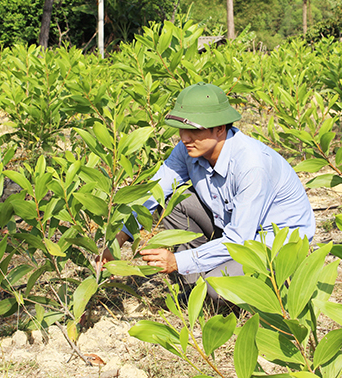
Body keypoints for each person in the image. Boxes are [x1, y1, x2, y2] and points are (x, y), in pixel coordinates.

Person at [105, 82, 315, 300]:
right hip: (231, 230)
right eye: (182, 130)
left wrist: (177, 261)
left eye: (194, 130)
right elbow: (155, 190)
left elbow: (240, 239)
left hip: (274, 246)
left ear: (220, 129)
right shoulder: (187, 150)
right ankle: (195, 285)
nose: (185, 138)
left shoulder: (251, 166)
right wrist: (118, 240)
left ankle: (251, 285)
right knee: (172, 201)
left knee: (216, 290)